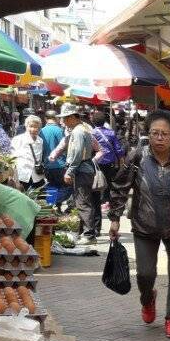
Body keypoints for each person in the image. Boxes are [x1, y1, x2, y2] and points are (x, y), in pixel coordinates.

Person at [108, 109, 170, 340]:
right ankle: (147, 298)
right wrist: (114, 219)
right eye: (155, 133)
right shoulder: (137, 157)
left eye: (165, 134)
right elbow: (120, 187)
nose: (159, 138)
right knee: (145, 273)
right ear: (148, 134)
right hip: (145, 225)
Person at [58, 103, 99, 244]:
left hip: (82, 170)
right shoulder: (82, 129)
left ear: (71, 117)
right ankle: (84, 232)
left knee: (83, 202)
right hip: (83, 169)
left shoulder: (78, 131)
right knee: (82, 201)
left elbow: (77, 154)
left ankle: (89, 235)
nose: (63, 122)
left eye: (64, 118)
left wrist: (69, 171)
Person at [91, 110, 126, 202]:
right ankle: (106, 201)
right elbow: (118, 148)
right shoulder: (111, 133)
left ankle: (98, 200)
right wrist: (122, 160)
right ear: (104, 121)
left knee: (96, 180)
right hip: (110, 161)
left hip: (96, 161)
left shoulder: (92, 133)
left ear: (93, 121)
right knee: (108, 181)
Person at [10, 115, 46, 192]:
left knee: (39, 200)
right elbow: (12, 159)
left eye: (36, 127)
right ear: (26, 127)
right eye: (31, 126)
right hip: (23, 176)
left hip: (37, 176)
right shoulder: (18, 139)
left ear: (39, 128)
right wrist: (14, 178)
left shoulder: (40, 141)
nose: (33, 129)